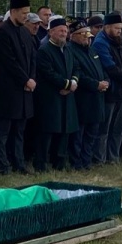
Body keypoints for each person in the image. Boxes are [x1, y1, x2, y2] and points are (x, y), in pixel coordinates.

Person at [0, 0, 36, 175]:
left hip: (25, 90)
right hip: (8, 91)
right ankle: (2, 165)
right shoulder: (2, 33)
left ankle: (19, 163)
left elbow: (32, 58)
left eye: (27, 13)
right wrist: (25, 80)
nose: (26, 16)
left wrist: (32, 79)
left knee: (19, 131)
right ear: (13, 12)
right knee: (3, 131)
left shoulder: (25, 32)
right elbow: (9, 62)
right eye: (23, 13)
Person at [34, 16, 79, 171]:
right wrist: (66, 84)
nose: (63, 33)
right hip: (51, 97)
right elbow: (48, 73)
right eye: (60, 30)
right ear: (51, 32)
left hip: (67, 97)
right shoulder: (44, 50)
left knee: (64, 131)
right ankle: (41, 164)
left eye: (65, 31)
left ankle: (59, 163)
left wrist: (73, 82)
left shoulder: (68, 49)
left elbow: (76, 68)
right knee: (47, 132)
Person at [92, 13, 122, 164]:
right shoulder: (100, 43)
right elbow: (109, 67)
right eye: (116, 28)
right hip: (110, 91)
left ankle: (113, 157)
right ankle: (100, 158)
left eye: (120, 28)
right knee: (104, 128)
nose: (119, 31)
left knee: (118, 128)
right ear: (107, 27)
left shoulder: (120, 41)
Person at [69, 19, 108, 170]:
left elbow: (101, 69)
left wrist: (106, 81)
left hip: (97, 98)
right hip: (82, 99)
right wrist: (95, 84)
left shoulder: (91, 51)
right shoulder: (71, 50)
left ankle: (87, 161)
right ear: (74, 35)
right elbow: (79, 74)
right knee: (79, 134)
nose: (87, 37)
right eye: (83, 34)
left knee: (92, 133)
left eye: (88, 35)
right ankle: (77, 162)